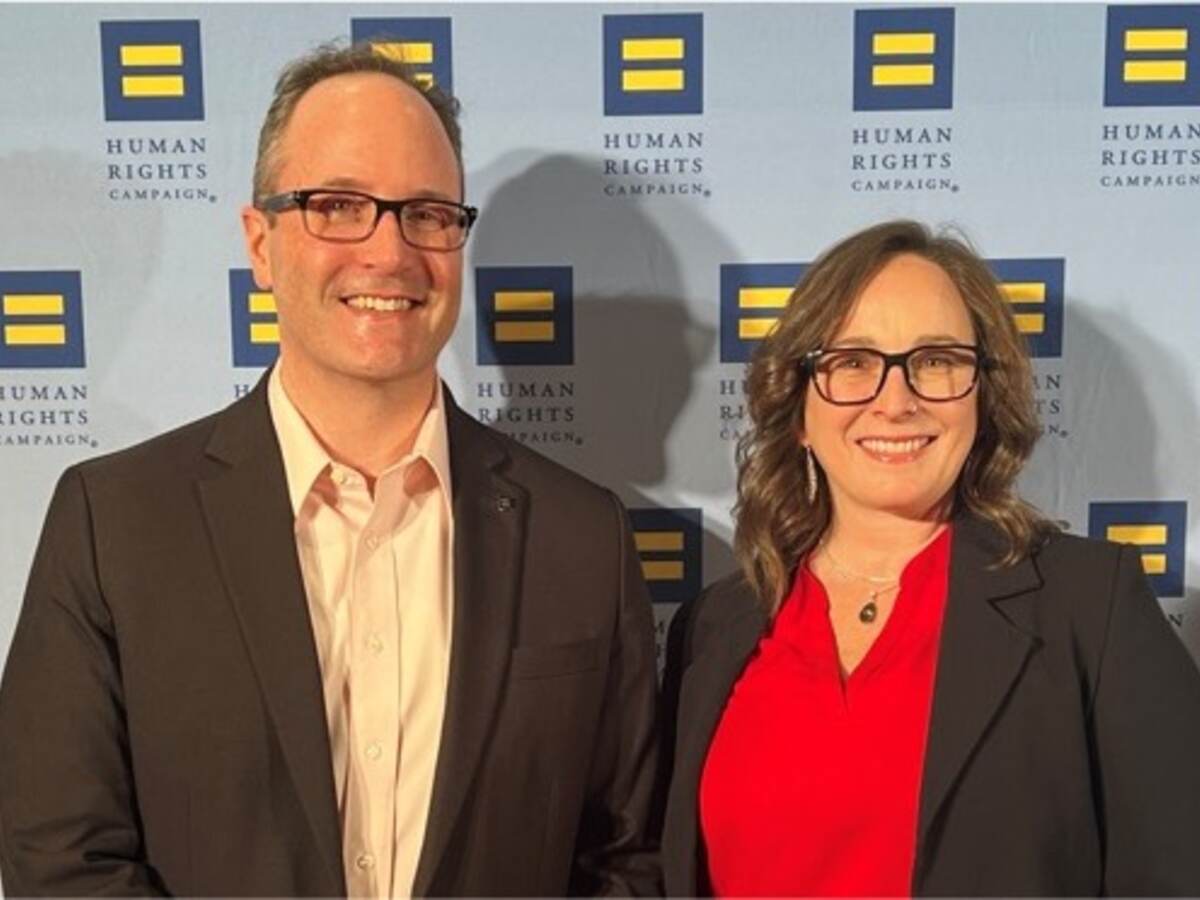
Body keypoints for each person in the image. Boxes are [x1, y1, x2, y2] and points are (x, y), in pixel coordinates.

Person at [0, 42, 659, 897]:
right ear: (261, 243)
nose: (388, 252)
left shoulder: (583, 536)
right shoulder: (113, 520)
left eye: (426, 213)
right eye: (338, 205)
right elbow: (60, 861)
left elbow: (624, 858)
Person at [658, 220, 1200, 896]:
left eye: (937, 360)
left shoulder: (1090, 606)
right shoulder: (714, 627)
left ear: (982, 394)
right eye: (852, 362)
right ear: (797, 405)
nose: (896, 401)